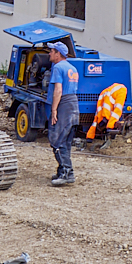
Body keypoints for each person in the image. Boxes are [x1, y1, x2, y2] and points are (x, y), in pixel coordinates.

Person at [46, 41, 80, 185]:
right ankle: (62, 171)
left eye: (51, 51)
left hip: (64, 105)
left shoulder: (58, 67)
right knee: (65, 142)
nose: (49, 53)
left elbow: (58, 90)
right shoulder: (72, 68)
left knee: (57, 140)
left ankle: (67, 173)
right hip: (74, 105)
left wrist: (54, 109)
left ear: (58, 54)